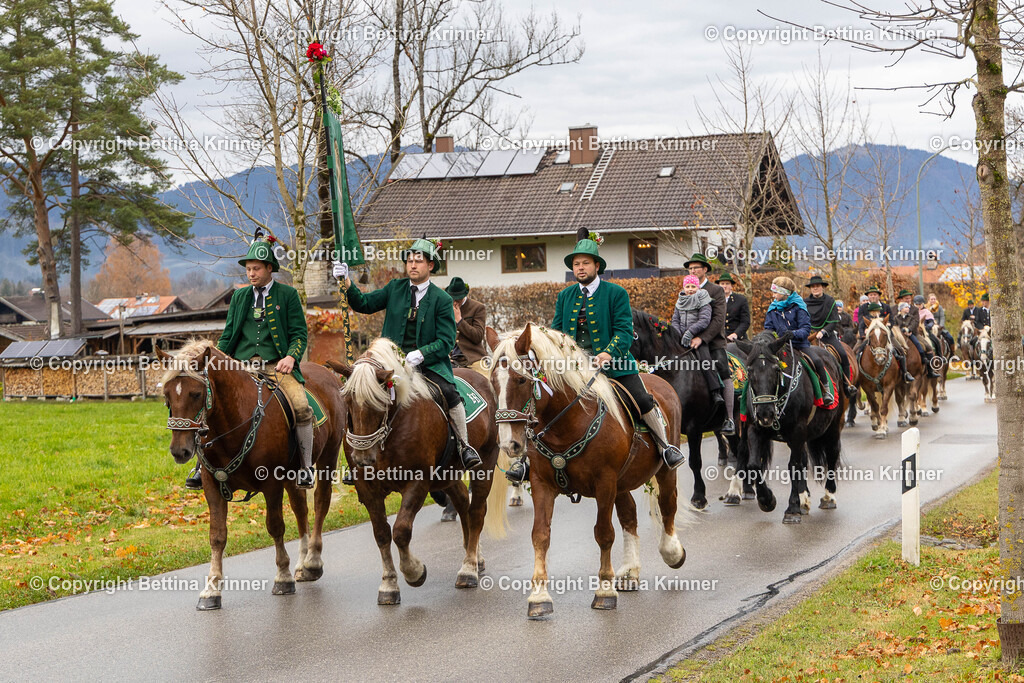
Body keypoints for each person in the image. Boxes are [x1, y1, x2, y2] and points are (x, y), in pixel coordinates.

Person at [505, 228, 685, 484]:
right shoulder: (565, 296)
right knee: (540, 402)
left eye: (585, 263)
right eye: (576, 264)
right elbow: (557, 333)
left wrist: (607, 354)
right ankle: (524, 462)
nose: (580, 268)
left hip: (615, 366)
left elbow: (625, 332)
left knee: (643, 400)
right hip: (573, 370)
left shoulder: (616, 294)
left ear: (596, 266)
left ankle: (665, 447)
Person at [334, 238, 482, 470]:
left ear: (430, 266)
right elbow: (363, 303)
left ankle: (464, 446)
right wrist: (347, 282)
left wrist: (421, 355)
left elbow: (445, 342)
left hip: (429, 366)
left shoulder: (442, 300)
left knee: (450, 393)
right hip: (389, 366)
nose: (412, 265)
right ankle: (359, 452)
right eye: (409, 261)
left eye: (418, 261)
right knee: (359, 391)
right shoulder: (395, 288)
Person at [187, 234, 315, 490]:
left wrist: (291, 356)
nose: (251, 273)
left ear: (270, 268)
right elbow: (228, 335)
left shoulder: (288, 295)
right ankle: (201, 467)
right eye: (248, 269)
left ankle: (305, 467)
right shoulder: (239, 297)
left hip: (276, 367)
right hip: (240, 367)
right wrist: (213, 359)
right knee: (211, 405)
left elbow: (300, 334)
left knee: (301, 406)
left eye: (256, 268)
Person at [683, 252, 735, 435]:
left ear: (705, 269)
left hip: (713, 342)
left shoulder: (716, 291)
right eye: (690, 268)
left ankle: (729, 418)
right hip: (688, 340)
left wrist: (702, 338)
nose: (693, 270)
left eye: (696, 267)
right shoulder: (686, 289)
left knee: (723, 370)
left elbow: (718, 320)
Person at [763, 276, 833, 404]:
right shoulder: (772, 308)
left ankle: (825, 390)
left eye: (775, 292)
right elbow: (768, 328)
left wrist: (793, 334)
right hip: (779, 346)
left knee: (816, 360)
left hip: (799, 345)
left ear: (785, 292)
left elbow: (806, 329)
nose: (773, 295)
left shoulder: (799, 306)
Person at [670, 275, 727, 407]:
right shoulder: (680, 302)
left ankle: (715, 391)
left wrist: (690, 333)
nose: (690, 289)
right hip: (682, 338)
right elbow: (675, 320)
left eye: (693, 286)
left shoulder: (703, 300)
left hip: (698, 337)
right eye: (687, 286)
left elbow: (704, 320)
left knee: (705, 360)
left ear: (698, 287)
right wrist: (679, 335)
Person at [804, 275, 858, 398]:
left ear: (823, 287)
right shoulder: (805, 302)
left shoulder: (830, 301)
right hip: (808, 335)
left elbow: (833, 321)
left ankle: (846, 384)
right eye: (813, 287)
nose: (815, 288)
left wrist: (823, 331)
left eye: (817, 286)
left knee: (843, 354)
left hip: (826, 334)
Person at [857, 285, 914, 383]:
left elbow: (891, 320)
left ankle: (905, 373)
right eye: (871, 295)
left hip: (885, 334)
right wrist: (864, 332)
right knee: (856, 350)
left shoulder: (885, 306)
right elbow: (860, 321)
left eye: (875, 294)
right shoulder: (863, 308)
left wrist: (888, 326)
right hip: (869, 335)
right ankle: (857, 376)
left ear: (878, 296)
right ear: (868, 296)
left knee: (900, 350)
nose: (873, 296)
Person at [446, 277, 489, 378]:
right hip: (451, 358)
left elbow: (478, 336)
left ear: (465, 295)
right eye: (453, 298)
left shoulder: (477, 308)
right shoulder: (445, 307)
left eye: (458, 298)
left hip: (473, 358)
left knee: (487, 383)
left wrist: (459, 320)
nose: (455, 301)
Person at [895, 289, 939, 378]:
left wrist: (909, 330)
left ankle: (930, 369)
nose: (908, 300)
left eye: (909, 298)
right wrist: (900, 331)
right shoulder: (894, 309)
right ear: (901, 299)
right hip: (898, 334)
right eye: (906, 298)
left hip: (913, 333)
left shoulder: (914, 309)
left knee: (927, 346)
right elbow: (894, 321)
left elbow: (915, 321)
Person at [718, 272, 750, 341]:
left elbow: (745, 321)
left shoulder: (741, 300)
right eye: (722, 284)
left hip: (737, 338)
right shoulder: (715, 301)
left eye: (727, 284)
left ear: (731, 286)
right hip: (719, 338)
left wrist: (736, 334)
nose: (724, 286)